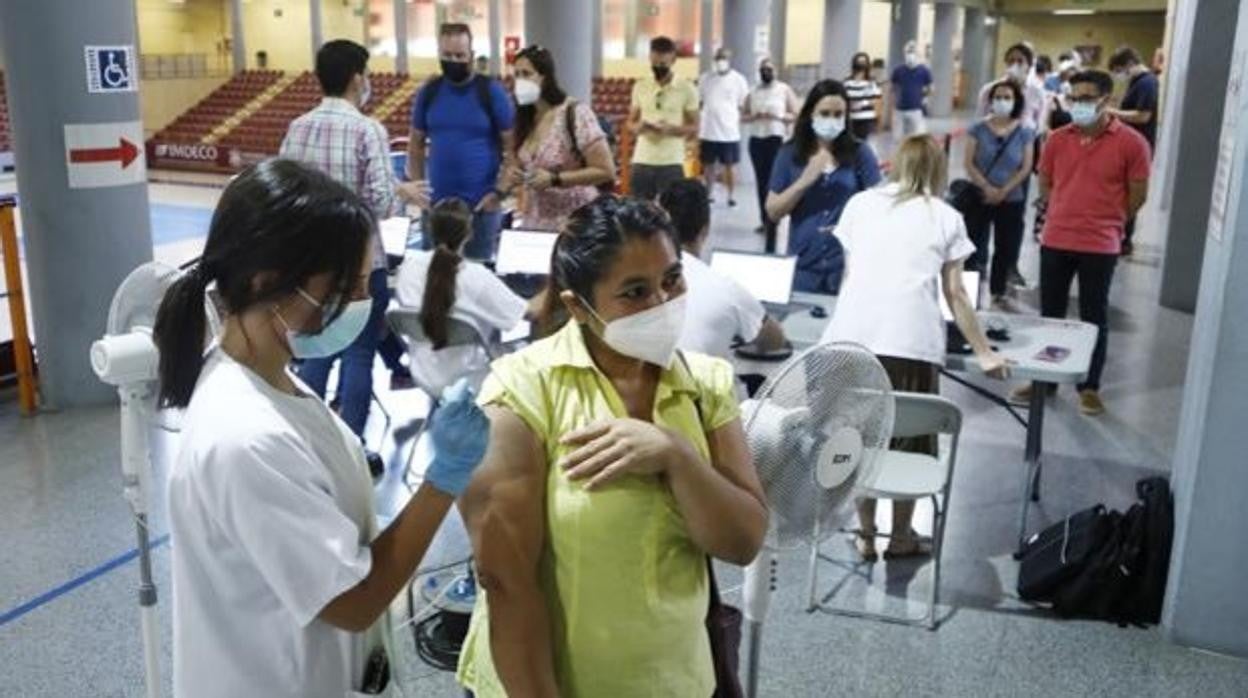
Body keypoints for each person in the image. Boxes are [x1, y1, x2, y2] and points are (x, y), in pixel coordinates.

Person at [152, 159, 489, 698]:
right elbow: (354, 602)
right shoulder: (247, 438)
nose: (362, 301)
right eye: (348, 285)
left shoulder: (269, 378)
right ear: (267, 282)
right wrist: (443, 480)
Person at [455, 196, 768, 697]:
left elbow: (742, 540)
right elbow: (505, 580)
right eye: (635, 292)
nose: (662, 304)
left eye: (672, 279)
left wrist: (676, 455)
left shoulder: (705, 385)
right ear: (578, 307)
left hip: (674, 681)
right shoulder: (521, 391)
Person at [820, 136, 1009, 560]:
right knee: (907, 437)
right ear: (938, 171)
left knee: (859, 438)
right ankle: (901, 535)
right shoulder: (946, 216)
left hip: (851, 339)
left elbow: (852, 277)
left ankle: (866, 535)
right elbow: (956, 293)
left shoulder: (861, 205)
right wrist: (983, 351)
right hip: (911, 342)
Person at [279, 39, 425, 467]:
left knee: (312, 349)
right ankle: (350, 452)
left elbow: (286, 193)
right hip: (360, 265)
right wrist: (400, 196)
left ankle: (309, 446)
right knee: (359, 355)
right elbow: (381, 202)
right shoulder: (367, 130)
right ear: (356, 77)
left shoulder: (297, 128)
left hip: (308, 265)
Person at [1013, 70, 1151, 415]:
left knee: (1093, 317)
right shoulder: (1058, 139)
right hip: (1057, 238)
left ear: (1108, 100)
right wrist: (1062, 208)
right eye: (1075, 98)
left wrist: (1109, 218)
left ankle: (1089, 386)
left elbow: (1138, 195)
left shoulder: (1132, 143)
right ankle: (1044, 380)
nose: (1079, 104)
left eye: (1088, 98)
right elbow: (1045, 181)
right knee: (1051, 316)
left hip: (1100, 244)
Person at [394, 198, 534, 395]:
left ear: (428, 228)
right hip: (471, 378)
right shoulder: (476, 276)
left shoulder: (408, 270)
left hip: (424, 374)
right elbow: (532, 312)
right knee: (532, 345)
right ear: (469, 233)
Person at [408, 23, 516, 260]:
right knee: (434, 282)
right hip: (436, 209)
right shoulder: (429, 92)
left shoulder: (491, 92)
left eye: (459, 55)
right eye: (447, 55)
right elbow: (415, 144)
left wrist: (499, 193)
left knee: (477, 280)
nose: (453, 60)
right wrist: (418, 190)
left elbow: (513, 149)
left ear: (472, 56)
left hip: (481, 210)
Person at [766, 79, 882, 294]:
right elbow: (773, 211)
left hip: (847, 267)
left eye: (838, 115)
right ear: (811, 113)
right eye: (825, 113)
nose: (832, 120)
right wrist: (804, 181)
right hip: (804, 267)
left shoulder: (860, 153)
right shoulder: (789, 154)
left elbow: (879, 206)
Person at [659, 178, 787, 360]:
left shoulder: (641, 283)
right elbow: (775, 341)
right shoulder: (727, 289)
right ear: (706, 229)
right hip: (702, 386)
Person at [505, 45, 615, 231]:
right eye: (516, 75)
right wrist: (514, 174)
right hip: (536, 220)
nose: (520, 81)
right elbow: (517, 163)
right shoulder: (523, 118)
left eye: (526, 74)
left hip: (575, 221)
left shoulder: (575, 113)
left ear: (545, 78)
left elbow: (606, 170)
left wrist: (556, 179)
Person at [963, 80, 1036, 306]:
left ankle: (998, 291)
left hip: (1011, 197)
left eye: (1007, 97)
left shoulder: (1025, 131)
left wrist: (1003, 190)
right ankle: (967, 292)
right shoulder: (977, 128)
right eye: (998, 97)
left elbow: (1025, 167)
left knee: (1005, 247)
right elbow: (968, 162)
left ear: (1015, 101)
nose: (1002, 101)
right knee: (973, 247)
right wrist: (987, 187)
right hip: (979, 196)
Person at [627, 35, 699, 200]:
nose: (658, 67)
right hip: (642, 159)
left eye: (663, 64)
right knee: (638, 212)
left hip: (671, 161)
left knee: (673, 214)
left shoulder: (687, 88)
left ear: (673, 60)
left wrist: (673, 129)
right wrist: (638, 127)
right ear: (649, 58)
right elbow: (630, 122)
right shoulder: (640, 86)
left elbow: (695, 126)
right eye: (654, 63)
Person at [1107, 45, 1159, 257]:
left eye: (1119, 70)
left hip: (1139, 146)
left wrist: (1112, 112)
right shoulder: (1137, 82)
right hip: (1128, 144)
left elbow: (1142, 115)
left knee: (1130, 192)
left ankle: (1124, 239)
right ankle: (1121, 235)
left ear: (1129, 64)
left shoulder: (1147, 82)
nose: (1119, 76)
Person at [743, 56, 799, 251]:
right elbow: (744, 115)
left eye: (769, 69)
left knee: (773, 181)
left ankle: (775, 218)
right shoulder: (753, 91)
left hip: (776, 138)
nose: (766, 72)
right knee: (761, 181)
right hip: (757, 139)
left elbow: (796, 114)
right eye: (763, 69)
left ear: (775, 71)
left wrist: (779, 116)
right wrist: (755, 116)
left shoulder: (783, 90)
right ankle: (764, 219)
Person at [697, 46, 750, 206]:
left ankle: (731, 196)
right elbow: (699, 102)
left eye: (723, 58)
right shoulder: (705, 78)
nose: (721, 61)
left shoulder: (738, 80)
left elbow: (743, 104)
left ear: (729, 60)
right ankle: (709, 193)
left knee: (729, 166)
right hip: (708, 131)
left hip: (729, 133)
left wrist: (735, 119)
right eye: (718, 58)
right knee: (708, 166)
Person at [977, 43, 1048, 132]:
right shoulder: (989, 89)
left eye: (1020, 61)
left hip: (1025, 139)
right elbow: (981, 118)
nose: (1015, 65)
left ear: (1029, 66)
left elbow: (1039, 124)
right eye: (1011, 61)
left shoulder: (1037, 92)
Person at [890, 41, 933, 136]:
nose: (910, 54)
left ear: (918, 54)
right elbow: (892, 87)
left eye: (913, 51)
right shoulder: (898, 70)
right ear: (904, 53)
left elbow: (931, 87)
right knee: (898, 137)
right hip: (900, 110)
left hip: (916, 109)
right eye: (908, 52)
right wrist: (894, 102)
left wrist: (925, 99)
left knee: (916, 136)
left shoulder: (924, 70)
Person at [846, 51, 884, 141]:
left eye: (863, 62)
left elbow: (877, 100)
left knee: (863, 143)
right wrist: (850, 105)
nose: (861, 65)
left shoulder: (872, 82)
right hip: (851, 119)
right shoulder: (847, 82)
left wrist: (862, 103)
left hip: (866, 119)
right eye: (859, 62)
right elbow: (844, 98)